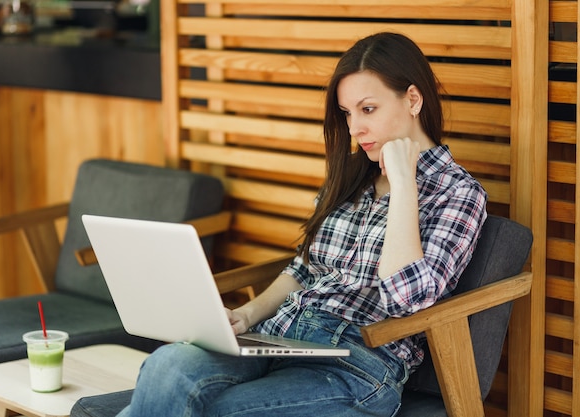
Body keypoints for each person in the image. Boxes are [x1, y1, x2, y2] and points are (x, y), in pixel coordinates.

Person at [117, 31, 488, 417]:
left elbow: (406, 300)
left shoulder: (458, 193)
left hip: (356, 366)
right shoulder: (352, 178)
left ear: (412, 99)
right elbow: (305, 267)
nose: (354, 128)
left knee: (215, 411)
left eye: (368, 109)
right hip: (281, 338)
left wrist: (404, 182)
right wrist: (248, 313)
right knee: (166, 367)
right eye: (347, 113)